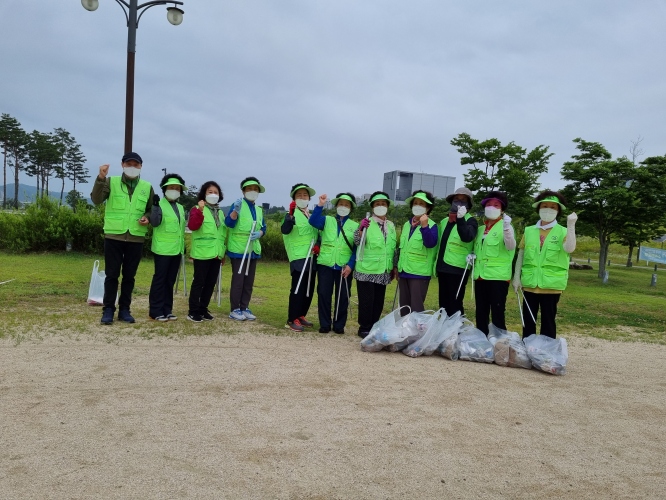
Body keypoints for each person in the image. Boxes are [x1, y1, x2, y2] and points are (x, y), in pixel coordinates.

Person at [91, 152, 154, 325]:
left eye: (136, 164)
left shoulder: (147, 187)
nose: (132, 167)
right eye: (129, 164)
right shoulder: (110, 182)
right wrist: (100, 178)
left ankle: (125, 310)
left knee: (129, 276)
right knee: (111, 275)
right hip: (114, 236)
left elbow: (150, 209)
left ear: (141, 166)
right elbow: (96, 199)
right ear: (122, 165)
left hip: (136, 237)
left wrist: (147, 217)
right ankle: (108, 309)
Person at [512, 190, 577, 339]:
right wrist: (516, 277)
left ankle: (547, 350)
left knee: (548, 321)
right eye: (545, 206)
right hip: (529, 283)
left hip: (551, 285)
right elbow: (521, 254)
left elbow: (569, 248)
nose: (548, 209)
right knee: (528, 320)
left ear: (558, 211)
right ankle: (528, 347)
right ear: (539, 208)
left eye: (553, 207)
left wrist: (571, 226)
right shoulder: (529, 231)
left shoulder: (563, 231)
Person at [309, 192, 358, 334]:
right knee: (324, 294)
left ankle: (339, 325)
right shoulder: (327, 220)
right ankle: (325, 324)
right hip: (326, 264)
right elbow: (313, 221)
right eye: (341, 204)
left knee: (343, 297)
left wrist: (351, 265)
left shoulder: (355, 226)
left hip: (344, 266)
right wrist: (320, 205)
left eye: (347, 205)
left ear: (351, 208)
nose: (343, 207)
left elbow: (356, 248)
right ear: (336, 206)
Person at [354, 191, 397, 338]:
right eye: (377, 204)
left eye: (383, 204)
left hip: (383, 270)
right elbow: (358, 242)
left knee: (378, 301)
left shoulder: (391, 225)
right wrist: (361, 229)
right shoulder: (366, 222)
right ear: (372, 207)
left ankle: (374, 326)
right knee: (367, 301)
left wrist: (393, 267)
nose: (380, 206)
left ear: (387, 206)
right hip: (366, 269)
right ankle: (364, 327)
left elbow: (392, 247)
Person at [473, 191, 516, 335]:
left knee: (497, 310)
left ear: (502, 209)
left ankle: (500, 341)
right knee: (481, 311)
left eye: (496, 205)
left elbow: (510, 246)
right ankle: (481, 338)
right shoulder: (480, 229)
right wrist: (471, 255)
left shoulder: (506, 226)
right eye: (489, 204)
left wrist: (507, 229)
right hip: (480, 275)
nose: (492, 207)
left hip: (498, 277)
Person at [225, 176, 267, 321]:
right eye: (249, 189)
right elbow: (229, 223)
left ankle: (244, 307)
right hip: (239, 249)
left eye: (255, 189)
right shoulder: (237, 204)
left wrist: (260, 233)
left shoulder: (259, 209)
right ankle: (235, 309)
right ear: (243, 191)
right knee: (238, 280)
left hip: (253, 249)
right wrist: (235, 212)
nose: (252, 191)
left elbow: (264, 227)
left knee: (249, 281)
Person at [148, 174, 187, 321]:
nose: (174, 190)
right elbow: (155, 223)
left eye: (177, 188)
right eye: (171, 187)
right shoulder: (159, 204)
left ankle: (167, 309)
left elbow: (181, 229)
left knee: (170, 281)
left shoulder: (181, 208)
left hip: (177, 249)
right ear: (165, 189)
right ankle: (155, 310)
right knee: (160, 279)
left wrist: (183, 247)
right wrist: (155, 207)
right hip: (162, 249)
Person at [434, 187, 478, 316]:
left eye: (463, 200)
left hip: (458, 268)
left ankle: (457, 326)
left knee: (455, 302)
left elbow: (467, 237)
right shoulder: (444, 221)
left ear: (468, 205)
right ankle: (444, 325)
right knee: (443, 302)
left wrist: (461, 218)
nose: (459, 202)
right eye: (456, 199)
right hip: (443, 266)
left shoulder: (471, 221)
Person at [187, 181, 226, 323]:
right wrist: (200, 211)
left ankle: (203, 308)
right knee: (199, 282)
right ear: (204, 194)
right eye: (210, 192)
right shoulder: (197, 208)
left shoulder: (220, 213)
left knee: (210, 283)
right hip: (202, 253)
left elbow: (222, 234)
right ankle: (193, 311)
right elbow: (193, 226)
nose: (213, 194)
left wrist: (223, 253)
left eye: (216, 192)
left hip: (216, 253)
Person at [281, 183, 319, 332]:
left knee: (308, 288)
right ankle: (292, 319)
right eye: (299, 195)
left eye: (305, 195)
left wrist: (318, 245)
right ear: (294, 198)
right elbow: (285, 229)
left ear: (309, 198)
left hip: (312, 256)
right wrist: (290, 216)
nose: (302, 197)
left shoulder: (310, 215)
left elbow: (317, 233)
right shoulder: (290, 214)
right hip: (298, 257)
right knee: (298, 288)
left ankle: (301, 315)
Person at [396, 190, 438, 316]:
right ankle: (405, 327)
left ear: (428, 208)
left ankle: (417, 328)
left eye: (421, 204)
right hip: (404, 271)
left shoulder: (432, 225)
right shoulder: (407, 224)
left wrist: (424, 226)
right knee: (404, 306)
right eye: (415, 203)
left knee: (416, 307)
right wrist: (397, 267)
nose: (417, 206)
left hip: (419, 273)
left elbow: (430, 243)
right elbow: (402, 248)